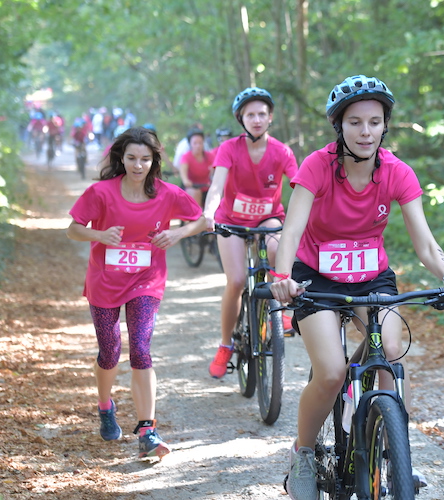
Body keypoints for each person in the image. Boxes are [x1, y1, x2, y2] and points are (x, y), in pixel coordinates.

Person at [266, 75, 444, 499]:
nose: (365, 132)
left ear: (385, 126)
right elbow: (291, 230)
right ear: (339, 127)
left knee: (391, 355)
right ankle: (303, 454)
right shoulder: (317, 166)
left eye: (375, 122)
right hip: (314, 277)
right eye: (355, 123)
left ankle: (391, 449)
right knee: (330, 373)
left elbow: (424, 241)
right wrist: (282, 278)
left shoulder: (397, 171)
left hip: (372, 277)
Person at [66, 126, 207, 460]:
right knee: (110, 350)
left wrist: (177, 235)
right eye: (131, 158)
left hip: (146, 280)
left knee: (141, 348)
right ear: (121, 158)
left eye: (145, 159)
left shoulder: (167, 193)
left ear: (154, 160)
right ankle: (105, 406)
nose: (138, 165)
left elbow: (202, 220)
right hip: (105, 280)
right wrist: (100, 235)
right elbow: (73, 230)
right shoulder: (100, 192)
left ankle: (148, 429)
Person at [203, 87, 298, 379]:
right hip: (231, 220)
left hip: (269, 218)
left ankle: (280, 310)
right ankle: (226, 343)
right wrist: (209, 212)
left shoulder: (282, 151)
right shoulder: (229, 148)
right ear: (241, 119)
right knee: (236, 280)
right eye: (250, 115)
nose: (256, 119)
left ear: (270, 118)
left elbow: (300, 188)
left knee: (275, 249)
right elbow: (217, 185)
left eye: (261, 114)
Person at [178, 128, 216, 207]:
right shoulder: (186, 157)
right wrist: (186, 181)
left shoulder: (210, 156)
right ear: (190, 144)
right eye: (195, 143)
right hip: (191, 187)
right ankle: (195, 217)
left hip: (206, 187)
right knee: (195, 193)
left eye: (200, 143)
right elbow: (184, 176)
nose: (198, 146)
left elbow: (216, 172)